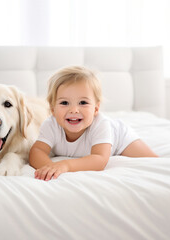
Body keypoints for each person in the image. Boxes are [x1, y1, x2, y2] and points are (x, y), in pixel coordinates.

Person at [29, 65, 158, 181]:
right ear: (52, 109)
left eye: (83, 103)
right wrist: (51, 168)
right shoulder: (50, 125)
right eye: (64, 103)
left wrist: (65, 165)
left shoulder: (101, 124)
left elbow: (99, 159)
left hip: (120, 138)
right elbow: (37, 151)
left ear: (96, 108)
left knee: (153, 162)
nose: (74, 110)